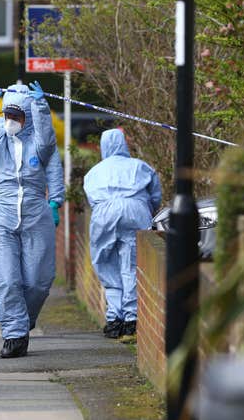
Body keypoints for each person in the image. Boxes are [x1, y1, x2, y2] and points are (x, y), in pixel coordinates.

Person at [0, 81, 57, 358]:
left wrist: (55, 200)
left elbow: (51, 154)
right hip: (0, 215)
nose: (11, 121)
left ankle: (23, 318)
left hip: (35, 214)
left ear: (28, 117)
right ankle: (15, 334)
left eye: (17, 116)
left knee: (38, 281)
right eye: (8, 115)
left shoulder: (39, 144)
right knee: (6, 279)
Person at [83, 128, 161, 338]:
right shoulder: (140, 166)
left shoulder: (94, 172)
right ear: (124, 144)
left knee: (106, 264)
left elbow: (92, 198)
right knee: (132, 264)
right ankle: (131, 318)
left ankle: (113, 319)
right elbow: (155, 197)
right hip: (136, 210)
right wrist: (146, 210)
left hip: (105, 212)